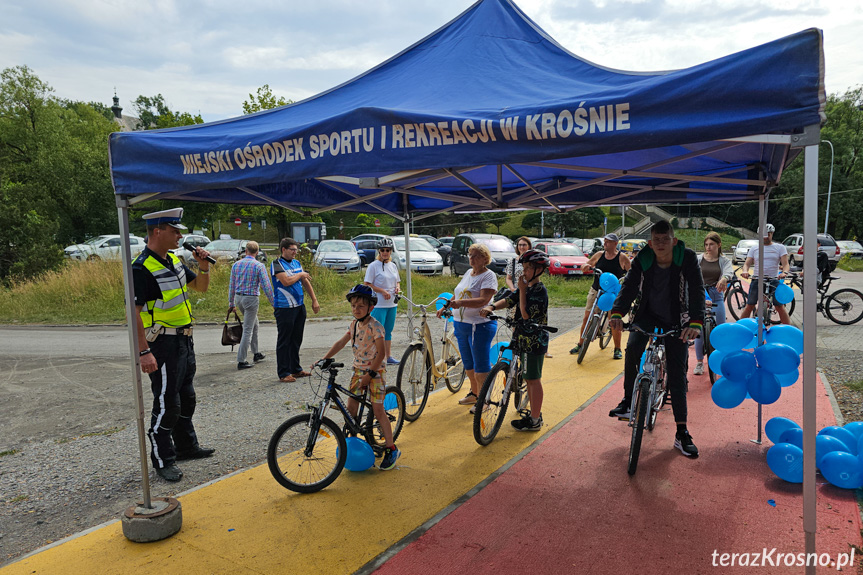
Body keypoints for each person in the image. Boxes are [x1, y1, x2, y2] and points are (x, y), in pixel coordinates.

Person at [608, 220, 704, 458]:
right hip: (647, 315)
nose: (661, 244)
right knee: (632, 348)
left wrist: (695, 322)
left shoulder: (687, 257)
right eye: (656, 240)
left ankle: (682, 432)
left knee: (677, 372)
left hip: (676, 318)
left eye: (665, 239)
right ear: (650, 243)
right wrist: (618, 312)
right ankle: (629, 400)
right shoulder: (644, 257)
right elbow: (629, 285)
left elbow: (697, 288)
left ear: (674, 241)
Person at [133, 208, 215, 482]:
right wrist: (144, 351)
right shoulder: (141, 268)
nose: (180, 235)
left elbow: (200, 288)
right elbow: (133, 313)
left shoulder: (174, 260)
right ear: (157, 231)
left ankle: (186, 447)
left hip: (184, 340)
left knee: (186, 398)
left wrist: (203, 265)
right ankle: (163, 459)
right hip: (162, 343)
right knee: (167, 403)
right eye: (174, 230)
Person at [317, 285, 401, 470]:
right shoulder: (354, 324)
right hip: (358, 371)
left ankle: (391, 448)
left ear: (371, 307)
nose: (356, 309)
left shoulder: (376, 327)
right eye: (353, 305)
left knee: (378, 410)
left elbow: (380, 354)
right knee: (351, 409)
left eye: (360, 306)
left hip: (375, 372)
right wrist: (325, 358)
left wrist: (370, 375)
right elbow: (340, 342)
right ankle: (352, 443)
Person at [481, 249, 550, 431]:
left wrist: (521, 290)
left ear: (539, 270)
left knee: (533, 379)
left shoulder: (539, 291)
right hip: (520, 336)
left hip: (534, 341)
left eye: (528, 268)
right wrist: (491, 306)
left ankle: (535, 420)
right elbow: (509, 300)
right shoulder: (526, 286)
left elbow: (526, 314)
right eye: (524, 268)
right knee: (527, 376)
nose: (524, 272)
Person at [438, 243, 498, 413]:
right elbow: (458, 294)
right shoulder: (467, 273)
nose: (471, 258)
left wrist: (460, 303)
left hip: (480, 325)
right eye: (470, 255)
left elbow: (484, 300)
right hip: (461, 324)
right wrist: (447, 306)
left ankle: (485, 400)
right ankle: (475, 393)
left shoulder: (489, 276)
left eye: (476, 255)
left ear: (485, 258)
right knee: (468, 364)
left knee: (480, 365)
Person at [569, 233, 631, 359]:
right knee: (587, 317)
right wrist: (585, 266)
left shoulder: (622, 257)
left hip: (613, 293)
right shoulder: (599, 255)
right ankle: (580, 344)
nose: (605, 244)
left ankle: (617, 349)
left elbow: (631, 272)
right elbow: (586, 265)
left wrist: (627, 282)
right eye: (605, 241)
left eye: (608, 242)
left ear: (615, 244)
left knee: (614, 320)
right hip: (597, 290)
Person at [272, 238, 320, 383]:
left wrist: (314, 299)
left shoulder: (296, 263)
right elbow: (286, 281)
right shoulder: (276, 264)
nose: (295, 252)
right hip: (284, 307)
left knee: (296, 339)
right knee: (284, 340)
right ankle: (284, 372)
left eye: (296, 250)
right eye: (292, 250)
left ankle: (295, 369)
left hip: (299, 306)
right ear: (283, 250)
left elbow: (305, 281)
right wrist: (300, 274)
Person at [228, 241, 275, 370]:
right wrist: (274, 303)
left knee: (255, 324)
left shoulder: (236, 265)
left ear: (246, 251)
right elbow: (266, 286)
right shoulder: (259, 266)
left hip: (239, 298)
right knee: (248, 329)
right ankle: (241, 360)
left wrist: (231, 303)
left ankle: (256, 352)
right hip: (251, 298)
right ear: (257, 252)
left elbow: (231, 285)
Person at [693, 232, 733, 376]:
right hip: (700, 295)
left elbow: (729, 271)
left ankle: (721, 360)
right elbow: (691, 276)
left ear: (719, 245)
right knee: (699, 330)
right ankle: (699, 362)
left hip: (716, 296)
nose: (708, 247)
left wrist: (725, 278)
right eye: (706, 244)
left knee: (721, 329)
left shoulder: (724, 260)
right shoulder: (698, 259)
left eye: (711, 244)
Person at [740, 224, 790, 324]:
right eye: (764, 234)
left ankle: (787, 329)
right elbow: (747, 263)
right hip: (757, 279)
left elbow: (785, 264)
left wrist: (785, 272)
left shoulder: (780, 247)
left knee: (780, 306)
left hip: (774, 280)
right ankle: (740, 328)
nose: (766, 236)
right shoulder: (754, 248)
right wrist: (745, 271)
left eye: (769, 234)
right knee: (750, 305)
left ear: (772, 234)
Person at [364, 237, 400, 365]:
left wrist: (397, 288)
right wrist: (382, 291)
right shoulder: (373, 266)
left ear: (391, 252)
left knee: (388, 331)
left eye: (388, 250)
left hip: (392, 304)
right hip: (379, 304)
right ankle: (375, 356)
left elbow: (397, 281)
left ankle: (388, 356)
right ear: (379, 251)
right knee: (377, 332)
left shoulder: (393, 266)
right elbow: (367, 284)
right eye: (383, 250)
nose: (385, 252)